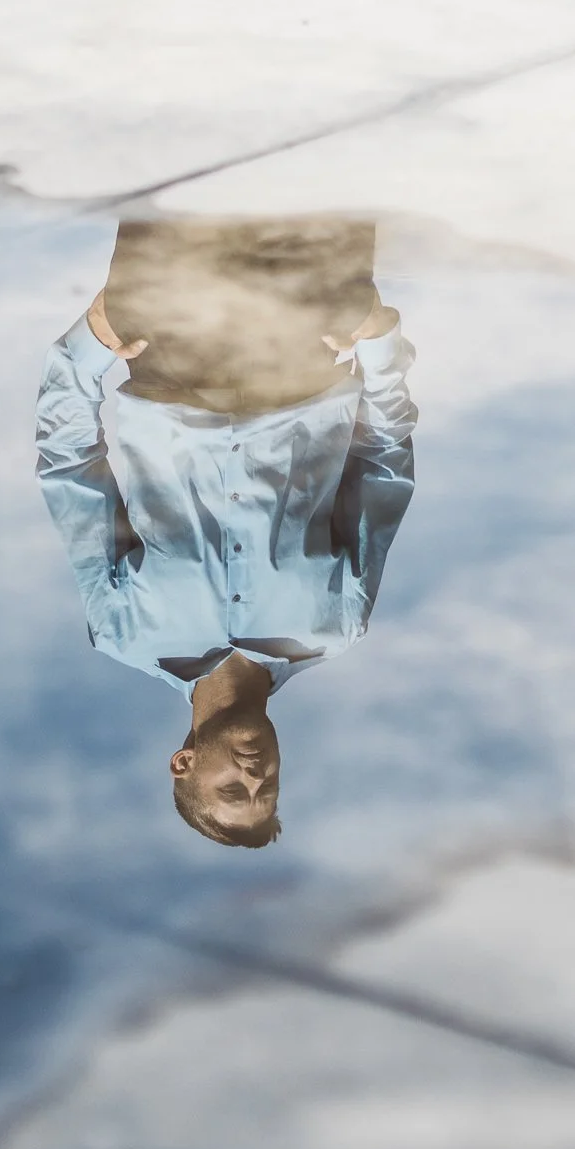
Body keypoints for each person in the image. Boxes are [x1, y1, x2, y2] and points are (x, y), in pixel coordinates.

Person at [35, 218, 417, 847]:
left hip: (169, 357)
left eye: (233, 790)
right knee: (328, 165)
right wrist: (380, 349)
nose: (255, 776)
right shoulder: (334, 626)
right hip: (303, 356)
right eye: (268, 788)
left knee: (175, 154)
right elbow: (383, 468)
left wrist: (83, 354)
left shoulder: (124, 633)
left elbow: (70, 473)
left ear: (183, 762)